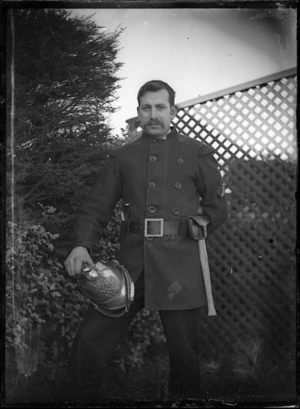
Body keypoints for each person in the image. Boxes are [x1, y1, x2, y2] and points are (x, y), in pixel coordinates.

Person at [63, 80, 228, 402]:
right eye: (146, 107)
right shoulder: (123, 156)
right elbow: (96, 207)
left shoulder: (197, 152)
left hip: (180, 264)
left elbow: (216, 208)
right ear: (138, 111)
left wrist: (198, 224)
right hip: (132, 265)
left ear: (173, 111)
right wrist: (81, 244)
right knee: (91, 340)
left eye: (160, 107)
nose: (153, 114)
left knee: (185, 356)